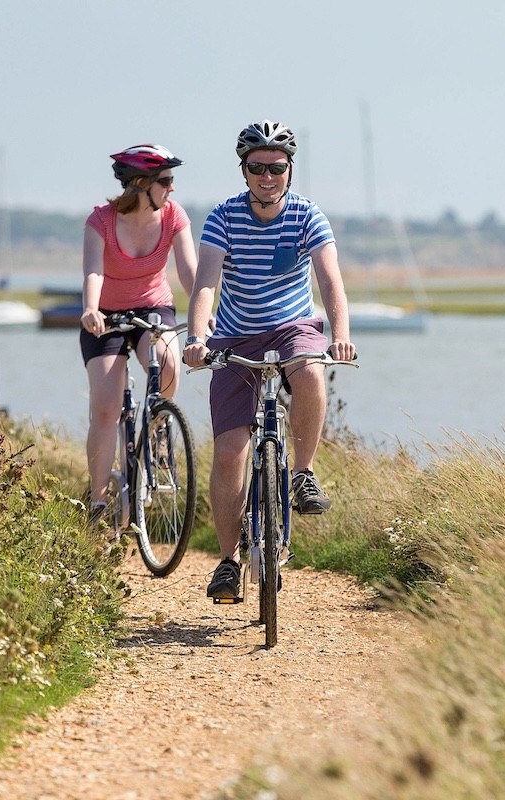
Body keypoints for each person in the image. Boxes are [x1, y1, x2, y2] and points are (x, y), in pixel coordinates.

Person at [182, 120, 355, 599]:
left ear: (289, 170)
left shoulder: (307, 215)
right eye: (256, 167)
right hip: (236, 336)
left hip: (292, 326)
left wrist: (339, 336)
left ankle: (302, 474)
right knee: (230, 453)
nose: (266, 176)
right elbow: (206, 286)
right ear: (243, 171)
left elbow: (330, 282)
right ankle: (227, 562)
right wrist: (198, 337)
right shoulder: (223, 217)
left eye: (276, 168)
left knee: (312, 374)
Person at [81, 144, 198, 524]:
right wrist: (91, 309)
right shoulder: (100, 221)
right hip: (106, 314)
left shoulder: (174, 216)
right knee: (105, 407)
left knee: (167, 363)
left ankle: (158, 425)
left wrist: (205, 315)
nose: (172, 188)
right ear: (139, 184)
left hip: (153, 307)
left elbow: (188, 273)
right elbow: (94, 271)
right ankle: (97, 504)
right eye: (165, 181)